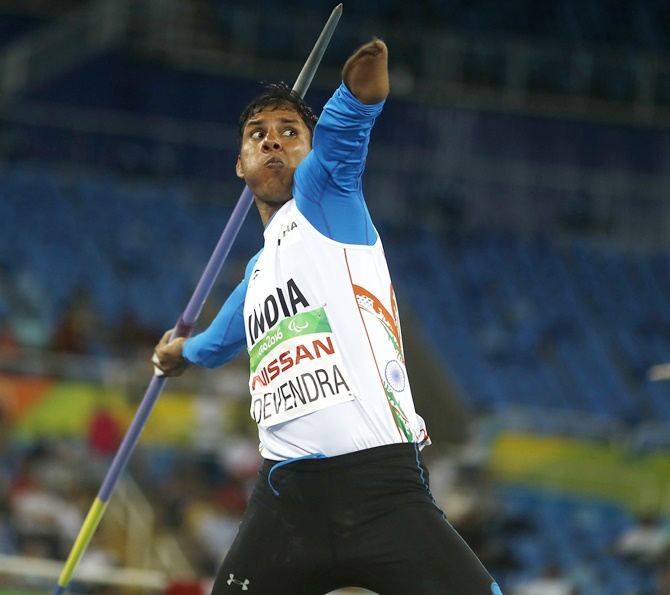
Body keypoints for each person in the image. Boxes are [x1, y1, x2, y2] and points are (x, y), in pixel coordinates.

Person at [153, 39, 502, 595]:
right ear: (240, 163)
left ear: (310, 153)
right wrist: (178, 353)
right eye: (257, 134)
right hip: (285, 503)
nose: (272, 139)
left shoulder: (324, 193)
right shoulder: (257, 275)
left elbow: (351, 120)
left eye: (290, 132)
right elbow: (217, 343)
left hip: (381, 492)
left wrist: (357, 89)